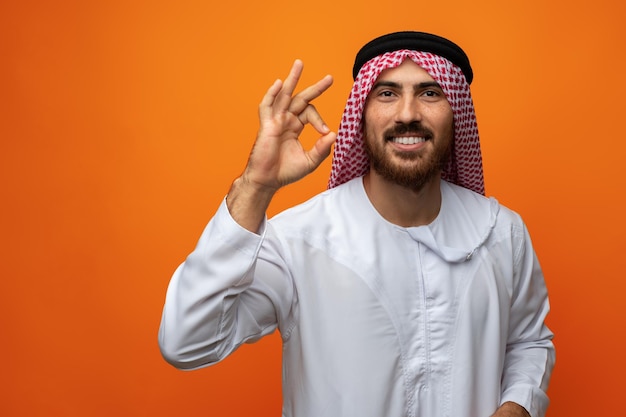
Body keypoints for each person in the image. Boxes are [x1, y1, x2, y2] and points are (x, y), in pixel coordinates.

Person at [158, 31, 555, 417]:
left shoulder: (501, 231)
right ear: (362, 113)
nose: (407, 114)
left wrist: (518, 405)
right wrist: (256, 185)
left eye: (430, 93)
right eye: (387, 93)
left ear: (457, 112)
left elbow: (529, 342)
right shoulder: (299, 240)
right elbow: (187, 341)